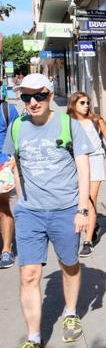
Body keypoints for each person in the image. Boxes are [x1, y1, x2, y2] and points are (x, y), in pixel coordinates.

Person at [4, 73, 94, 348]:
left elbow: (83, 170)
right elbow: (15, 163)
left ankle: (69, 312)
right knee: (28, 275)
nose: (33, 102)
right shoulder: (17, 127)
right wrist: (21, 202)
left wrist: (82, 210)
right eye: (27, 96)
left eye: (39, 95)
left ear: (51, 95)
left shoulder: (68, 125)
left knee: (68, 265)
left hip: (65, 210)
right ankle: (33, 336)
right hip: (30, 212)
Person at [67, 92, 106, 257]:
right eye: (82, 103)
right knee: (78, 200)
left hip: (95, 161)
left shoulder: (96, 120)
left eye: (87, 102)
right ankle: (92, 224)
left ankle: (87, 242)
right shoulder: (68, 122)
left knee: (90, 200)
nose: (86, 105)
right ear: (73, 104)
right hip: (76, 163)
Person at [0, 93, 19, 268]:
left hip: (2, 166)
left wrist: (15, 159)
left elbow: (19, 135)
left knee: (3, 207)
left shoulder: (7, 110)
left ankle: (6, 249)